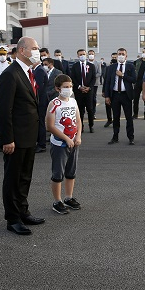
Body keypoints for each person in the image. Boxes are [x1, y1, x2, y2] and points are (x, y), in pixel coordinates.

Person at [0, 36, 45, 235]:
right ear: (22, 50)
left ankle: (23, 211)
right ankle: (13, 218)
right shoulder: (10, 74)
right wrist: (7, 139)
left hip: (28, 136)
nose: (37, 51)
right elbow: (3, 109)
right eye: (34, 48)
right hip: (15, 139)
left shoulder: (28, 73)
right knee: (13, 178)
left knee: (25, 177)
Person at [46, 74, 82, 215]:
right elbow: (50, 126)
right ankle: (57, 201)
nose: (69, 89)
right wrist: (66, 138)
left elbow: (78, 120)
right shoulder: (54, 104)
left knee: (71, 173)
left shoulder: (73, 101)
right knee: (57, 174)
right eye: (65, 87)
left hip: (74, 143)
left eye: (70, 86)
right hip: (59, 144)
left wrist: (78, 136)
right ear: (58, 88)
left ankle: (69, 197)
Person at [104, 48, 136, 145]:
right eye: (119, 54)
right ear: (117, 56)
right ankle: (115, 136)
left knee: (128, 117)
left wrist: (122, 75)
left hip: (126, 95)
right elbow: (107, 82)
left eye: (123, 54)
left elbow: (134, 79)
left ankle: (131, 137)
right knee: (116, 117)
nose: (121, 55)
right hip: (115, 95)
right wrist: (107, 96)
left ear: (126, 56)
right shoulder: (112, 67)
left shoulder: (130, 66)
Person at [71, 49, 96, 133]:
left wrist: (89, 87)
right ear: (78, 56)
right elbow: (73, 78)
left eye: (84, 54)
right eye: (80, 54)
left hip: (89, 91)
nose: (82, 56)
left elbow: (93, 78)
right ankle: (80, 126)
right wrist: (79, 87)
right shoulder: (75, 66)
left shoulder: (91, 66)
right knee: (80, 110)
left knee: (90, 109)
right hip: (79, 91)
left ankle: (91, 125)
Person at [133, 48, 145, 119]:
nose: (144, 53)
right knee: (135, 99)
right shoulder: (137, 62)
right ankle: (135, 114)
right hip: (137, 82)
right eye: (143, 52)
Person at [103, 52, 117, 127]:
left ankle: (115, 120)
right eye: (113, 58)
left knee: (115, 107)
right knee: (107, 105)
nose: (114, 59)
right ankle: (109, 119)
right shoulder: (108, 68)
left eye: (115, 57)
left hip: (116, 90)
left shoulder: (119, 67)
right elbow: (106, 80)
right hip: (109, 89)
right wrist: (104, 91)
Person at [88, 50, 101, 119]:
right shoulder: (86, 63)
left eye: (92, 54)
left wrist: (92, 77)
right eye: (89, 54)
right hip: (86, 83)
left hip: (94, 83)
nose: (91, 55)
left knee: (93, 97)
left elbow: (99, 73)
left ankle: (93, 112)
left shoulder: (97, 63)